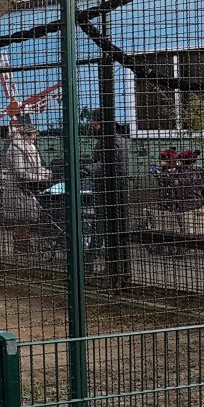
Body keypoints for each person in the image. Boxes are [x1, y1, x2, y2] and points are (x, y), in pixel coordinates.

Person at [82, 109, 130, 288]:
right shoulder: (111, 138)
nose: (91, 125)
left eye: (93, 122)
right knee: (109, 228)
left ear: (99, 122)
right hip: (111, 188)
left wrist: (87, 169)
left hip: (110, 189)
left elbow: (108, 163)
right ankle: (114, 268)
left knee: (101, 226)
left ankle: (91, 266)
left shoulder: (111, 140)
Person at [3, 122, 51, 253]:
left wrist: (45, 173)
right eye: (33, 136)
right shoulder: (16, 147)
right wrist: (39, 177)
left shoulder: (32, 147)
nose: (34, 139)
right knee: (21, 216)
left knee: (27, 216)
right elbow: (20, 171)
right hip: (18, 186)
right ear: (25, 135)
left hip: (29, 186)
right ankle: (21, 244)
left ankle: (23, 243)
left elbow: (37, 166)